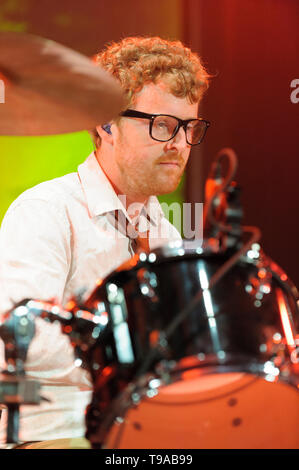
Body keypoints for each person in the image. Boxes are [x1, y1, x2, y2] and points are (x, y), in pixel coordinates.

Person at [0, 36, 210, 445]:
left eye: (190, 127)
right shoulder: (46, 210)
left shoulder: (164, 233)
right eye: (162, 124)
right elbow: (13, 339)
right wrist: (126, 353)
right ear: (106, 124)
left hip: (138, 431)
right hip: (54, 433)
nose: (180, 144)